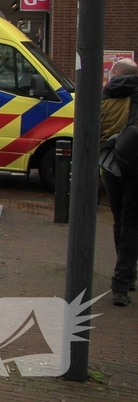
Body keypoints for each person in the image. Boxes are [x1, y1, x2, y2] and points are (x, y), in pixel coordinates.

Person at [100, 58, 138, 306]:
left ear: (115, 73)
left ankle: (124, 279)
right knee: (132, 222)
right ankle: (124, 280)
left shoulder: (104, 97)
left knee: (118, 217)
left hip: (110, 164)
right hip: (135, 165)